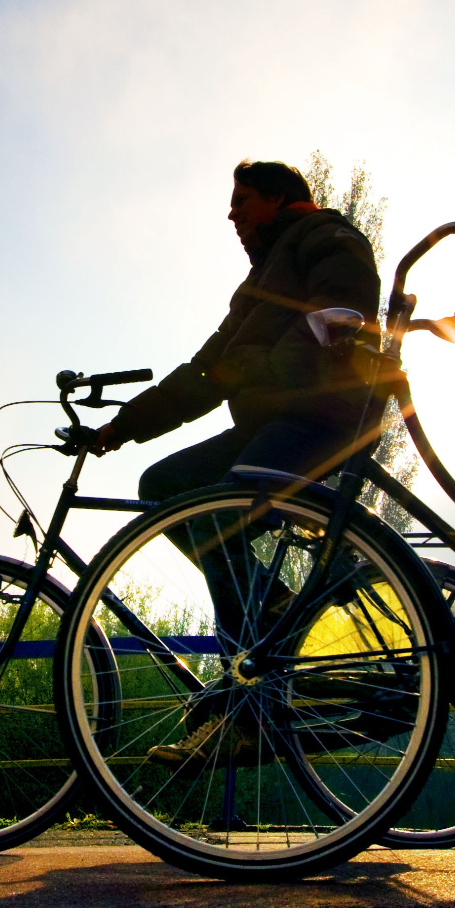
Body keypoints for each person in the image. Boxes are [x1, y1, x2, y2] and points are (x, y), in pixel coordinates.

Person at [93, 159, 382, 766]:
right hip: (273, 422)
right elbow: (205, 374)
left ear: (281, 200)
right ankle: (273, 614)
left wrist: (271, 368)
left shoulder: (327, 235)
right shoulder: (258, 286)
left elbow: (340, 306)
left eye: (242, 200)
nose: (231, 213)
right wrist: (121, 428)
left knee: (214, 517)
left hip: (326, 416)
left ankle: (255, 692)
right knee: (166, 484)